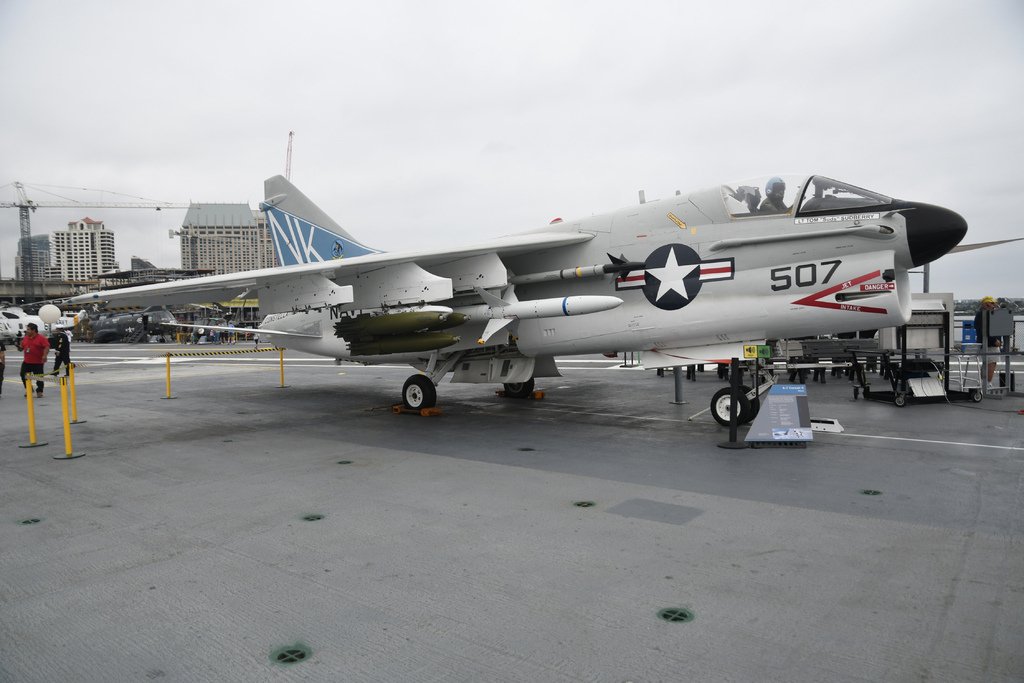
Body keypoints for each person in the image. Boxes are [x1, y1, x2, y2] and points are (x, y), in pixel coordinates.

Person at [974, 296, 1002, 382]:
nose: (994, 305)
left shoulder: (982, 313)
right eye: (992, 303)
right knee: (991, 362)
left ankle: (983, 383)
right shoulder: (984, 315)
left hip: (986, 343)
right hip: (989, 344)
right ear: (986, 304)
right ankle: (987, 384)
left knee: (986, 363)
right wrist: (994, 340)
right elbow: (984, 330)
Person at [19, 322, 50, 398]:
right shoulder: (26, 338)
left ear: (34, 330)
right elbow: (22, 347)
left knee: (39, 377)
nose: (27, 331)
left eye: (28, 329)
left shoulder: (41, 338)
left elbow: (47, 347)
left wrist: (44, 355)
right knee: (23, 375)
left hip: (38, 362)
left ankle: (39, 391)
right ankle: (29, 389)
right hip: (27, 361)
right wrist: (19, 347)